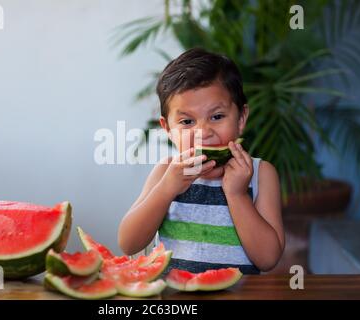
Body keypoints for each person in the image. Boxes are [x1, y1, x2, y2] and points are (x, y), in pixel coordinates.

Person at [118, 48, 284, 274]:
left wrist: (237, 195)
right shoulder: (166, 172)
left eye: (216, 117)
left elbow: (268, 259)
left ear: (241, 118)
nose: (203, 132)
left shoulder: (260, 173)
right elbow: (129, 243)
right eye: (187, 121)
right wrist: (166, 189)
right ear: (167, 129)